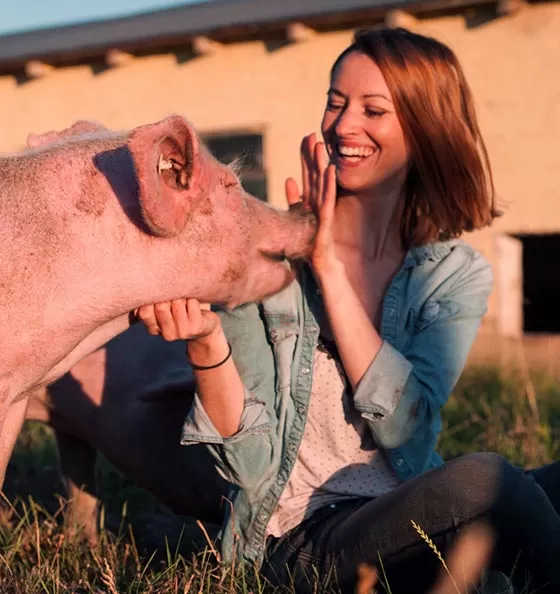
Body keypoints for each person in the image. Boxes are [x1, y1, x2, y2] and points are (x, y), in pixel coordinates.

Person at [134, 27, 560, 593]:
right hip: (306, 540)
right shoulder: (265, 254)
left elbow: (409, 434)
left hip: (416, 508)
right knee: (490, 480)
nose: (343, 124)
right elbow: (249, 467)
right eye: (336, 102)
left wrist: (330, 269)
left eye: (372, 109)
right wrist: (207, 343)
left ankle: (482, 570)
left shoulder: (453, 273)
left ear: (426, 128)